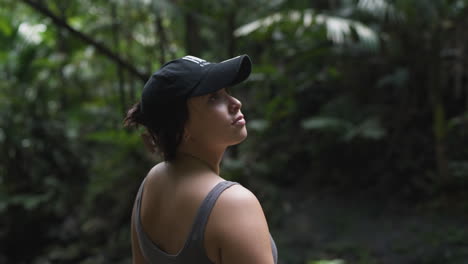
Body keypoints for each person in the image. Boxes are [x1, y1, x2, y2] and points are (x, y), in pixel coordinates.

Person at [124, 54, 278, 264]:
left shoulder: (152, 183)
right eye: (213, 97)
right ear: (182, 126)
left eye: (227, 92)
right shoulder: (233, 205)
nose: (236, 103)